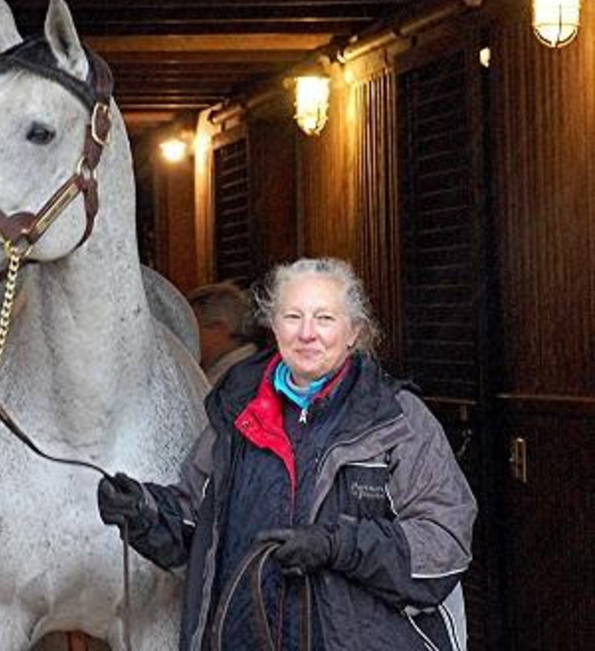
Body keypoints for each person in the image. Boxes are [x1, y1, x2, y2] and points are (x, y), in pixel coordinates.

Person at [97, 257, 475, 651]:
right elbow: (197, 527)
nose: (307, 333)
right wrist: (144, 512)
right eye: (293, 316)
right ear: (274, 327)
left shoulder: (397, 418)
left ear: (354, 332)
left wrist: (338, 545)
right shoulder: (236, 416)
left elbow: (443, 544)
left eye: (325, 318)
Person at [186, 282, 259, 387]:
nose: (188, 338)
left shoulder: (235, 377)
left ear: (218, 328)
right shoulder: (248, 364)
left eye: (192, 329)